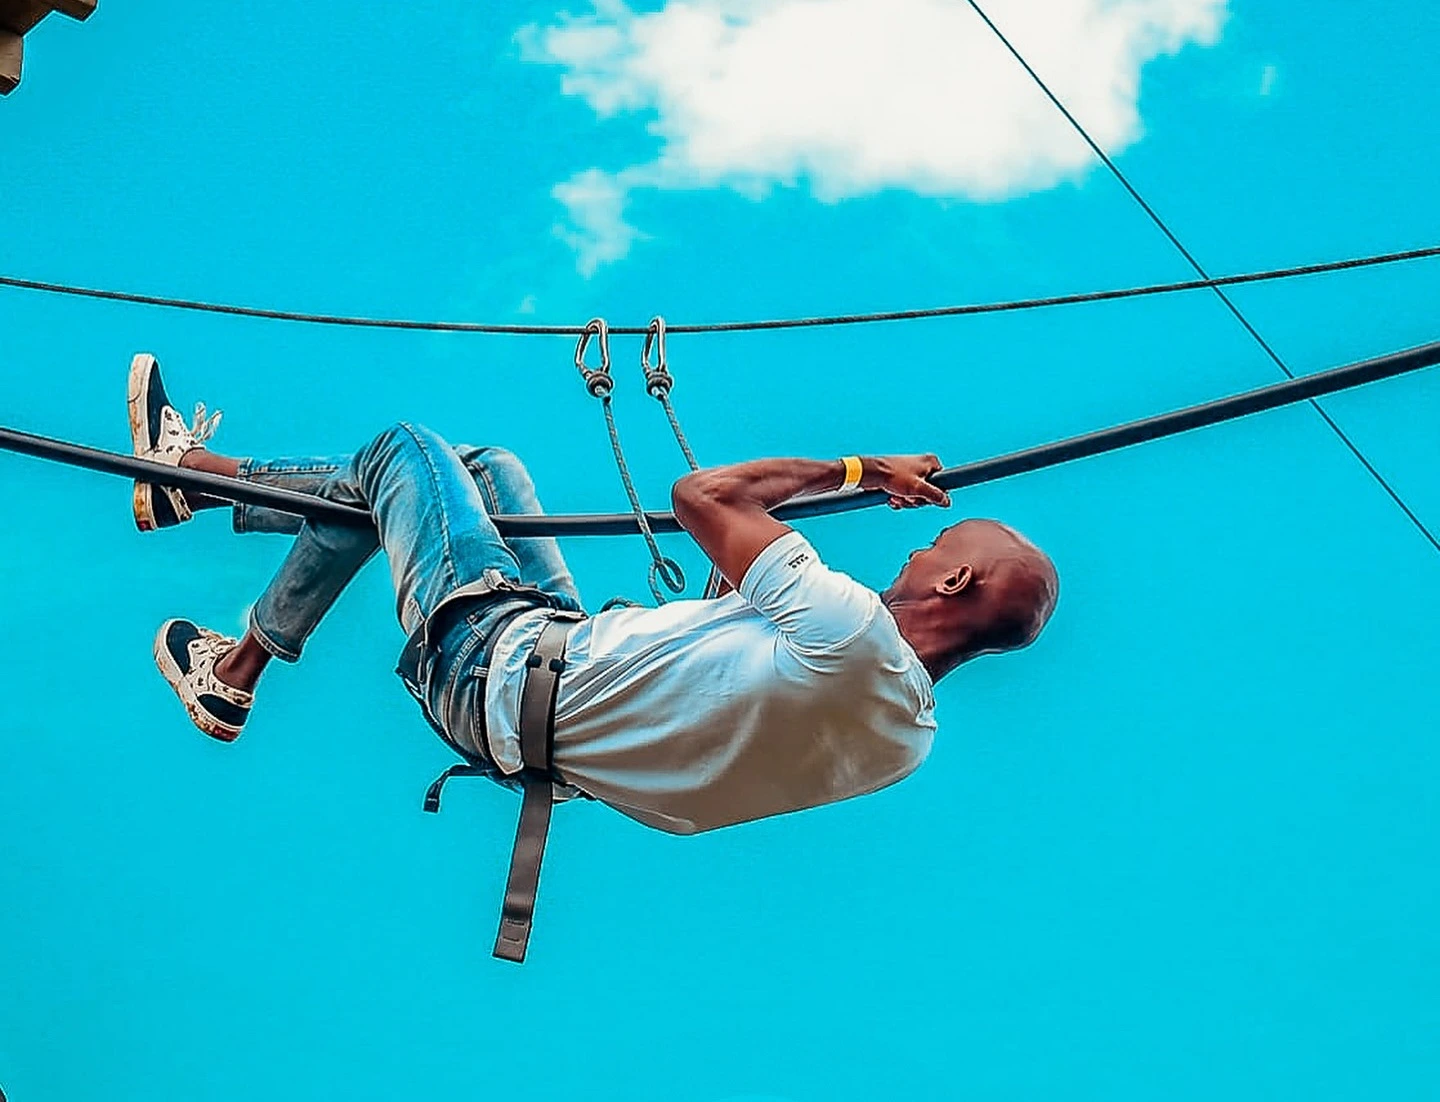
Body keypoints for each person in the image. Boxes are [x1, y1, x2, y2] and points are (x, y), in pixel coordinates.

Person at [130, 353, 1058, 837]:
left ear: (956, 579)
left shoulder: (848, 629)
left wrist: (864, 469)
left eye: (934, 544)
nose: (913, 549)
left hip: (494, 663)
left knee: (405, 450)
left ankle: (201, 481)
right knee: (485, 470)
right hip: (544, 709)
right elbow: (729, 692)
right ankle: (230, 641)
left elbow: (705, 498)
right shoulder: (905, 739)